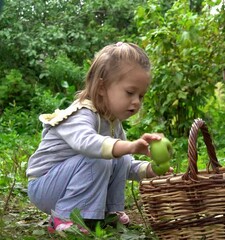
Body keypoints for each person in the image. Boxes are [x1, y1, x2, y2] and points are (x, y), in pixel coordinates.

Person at [26, 42, 169, 233]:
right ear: (102, 87)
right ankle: (64, 217)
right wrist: (130, 146)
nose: (136, 101)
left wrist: (149, 169)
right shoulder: (81, 114)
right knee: (100, 156)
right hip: (45, 187)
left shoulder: (112, 122)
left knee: (120, 156)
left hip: (66, 182)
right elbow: (88, 144)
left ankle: (108, 212)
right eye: (130, 92)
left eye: (141, 96)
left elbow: (124, 164)